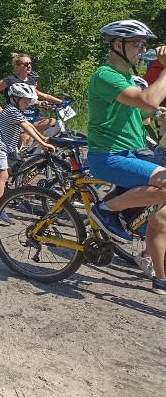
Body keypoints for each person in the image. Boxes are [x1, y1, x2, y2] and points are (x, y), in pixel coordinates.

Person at [85, 19, 166, 294]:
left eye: (145, 44)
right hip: (108, 156)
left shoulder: (127, 79)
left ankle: (120, 213)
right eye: (138, 44)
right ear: (118, 45)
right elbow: (148, 100)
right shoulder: (105, 75)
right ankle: (105, 210)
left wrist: (155, 114)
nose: (142, 50)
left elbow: (141, 111)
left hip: (132, 153)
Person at [0, 82, 54, 225]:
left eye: (29, 102)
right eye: (25, 101)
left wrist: (42, 139)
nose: (28, 104)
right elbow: (26, 126)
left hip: (1, 146)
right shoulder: (12, 111)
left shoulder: (17, 111)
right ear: (14, 99)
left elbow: (28, 126)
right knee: (4, 174)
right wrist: (42, 142)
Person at [0, 54, 63, 135]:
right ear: (16, 66)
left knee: (54, 123)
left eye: (30, 63)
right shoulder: (10, 79)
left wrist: (43, 103)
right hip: (16, 116)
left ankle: (39, 145)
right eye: (26, 64)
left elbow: (34, 98)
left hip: (32, 116)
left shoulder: (31, 81)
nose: (29, 66)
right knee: (24, 140)